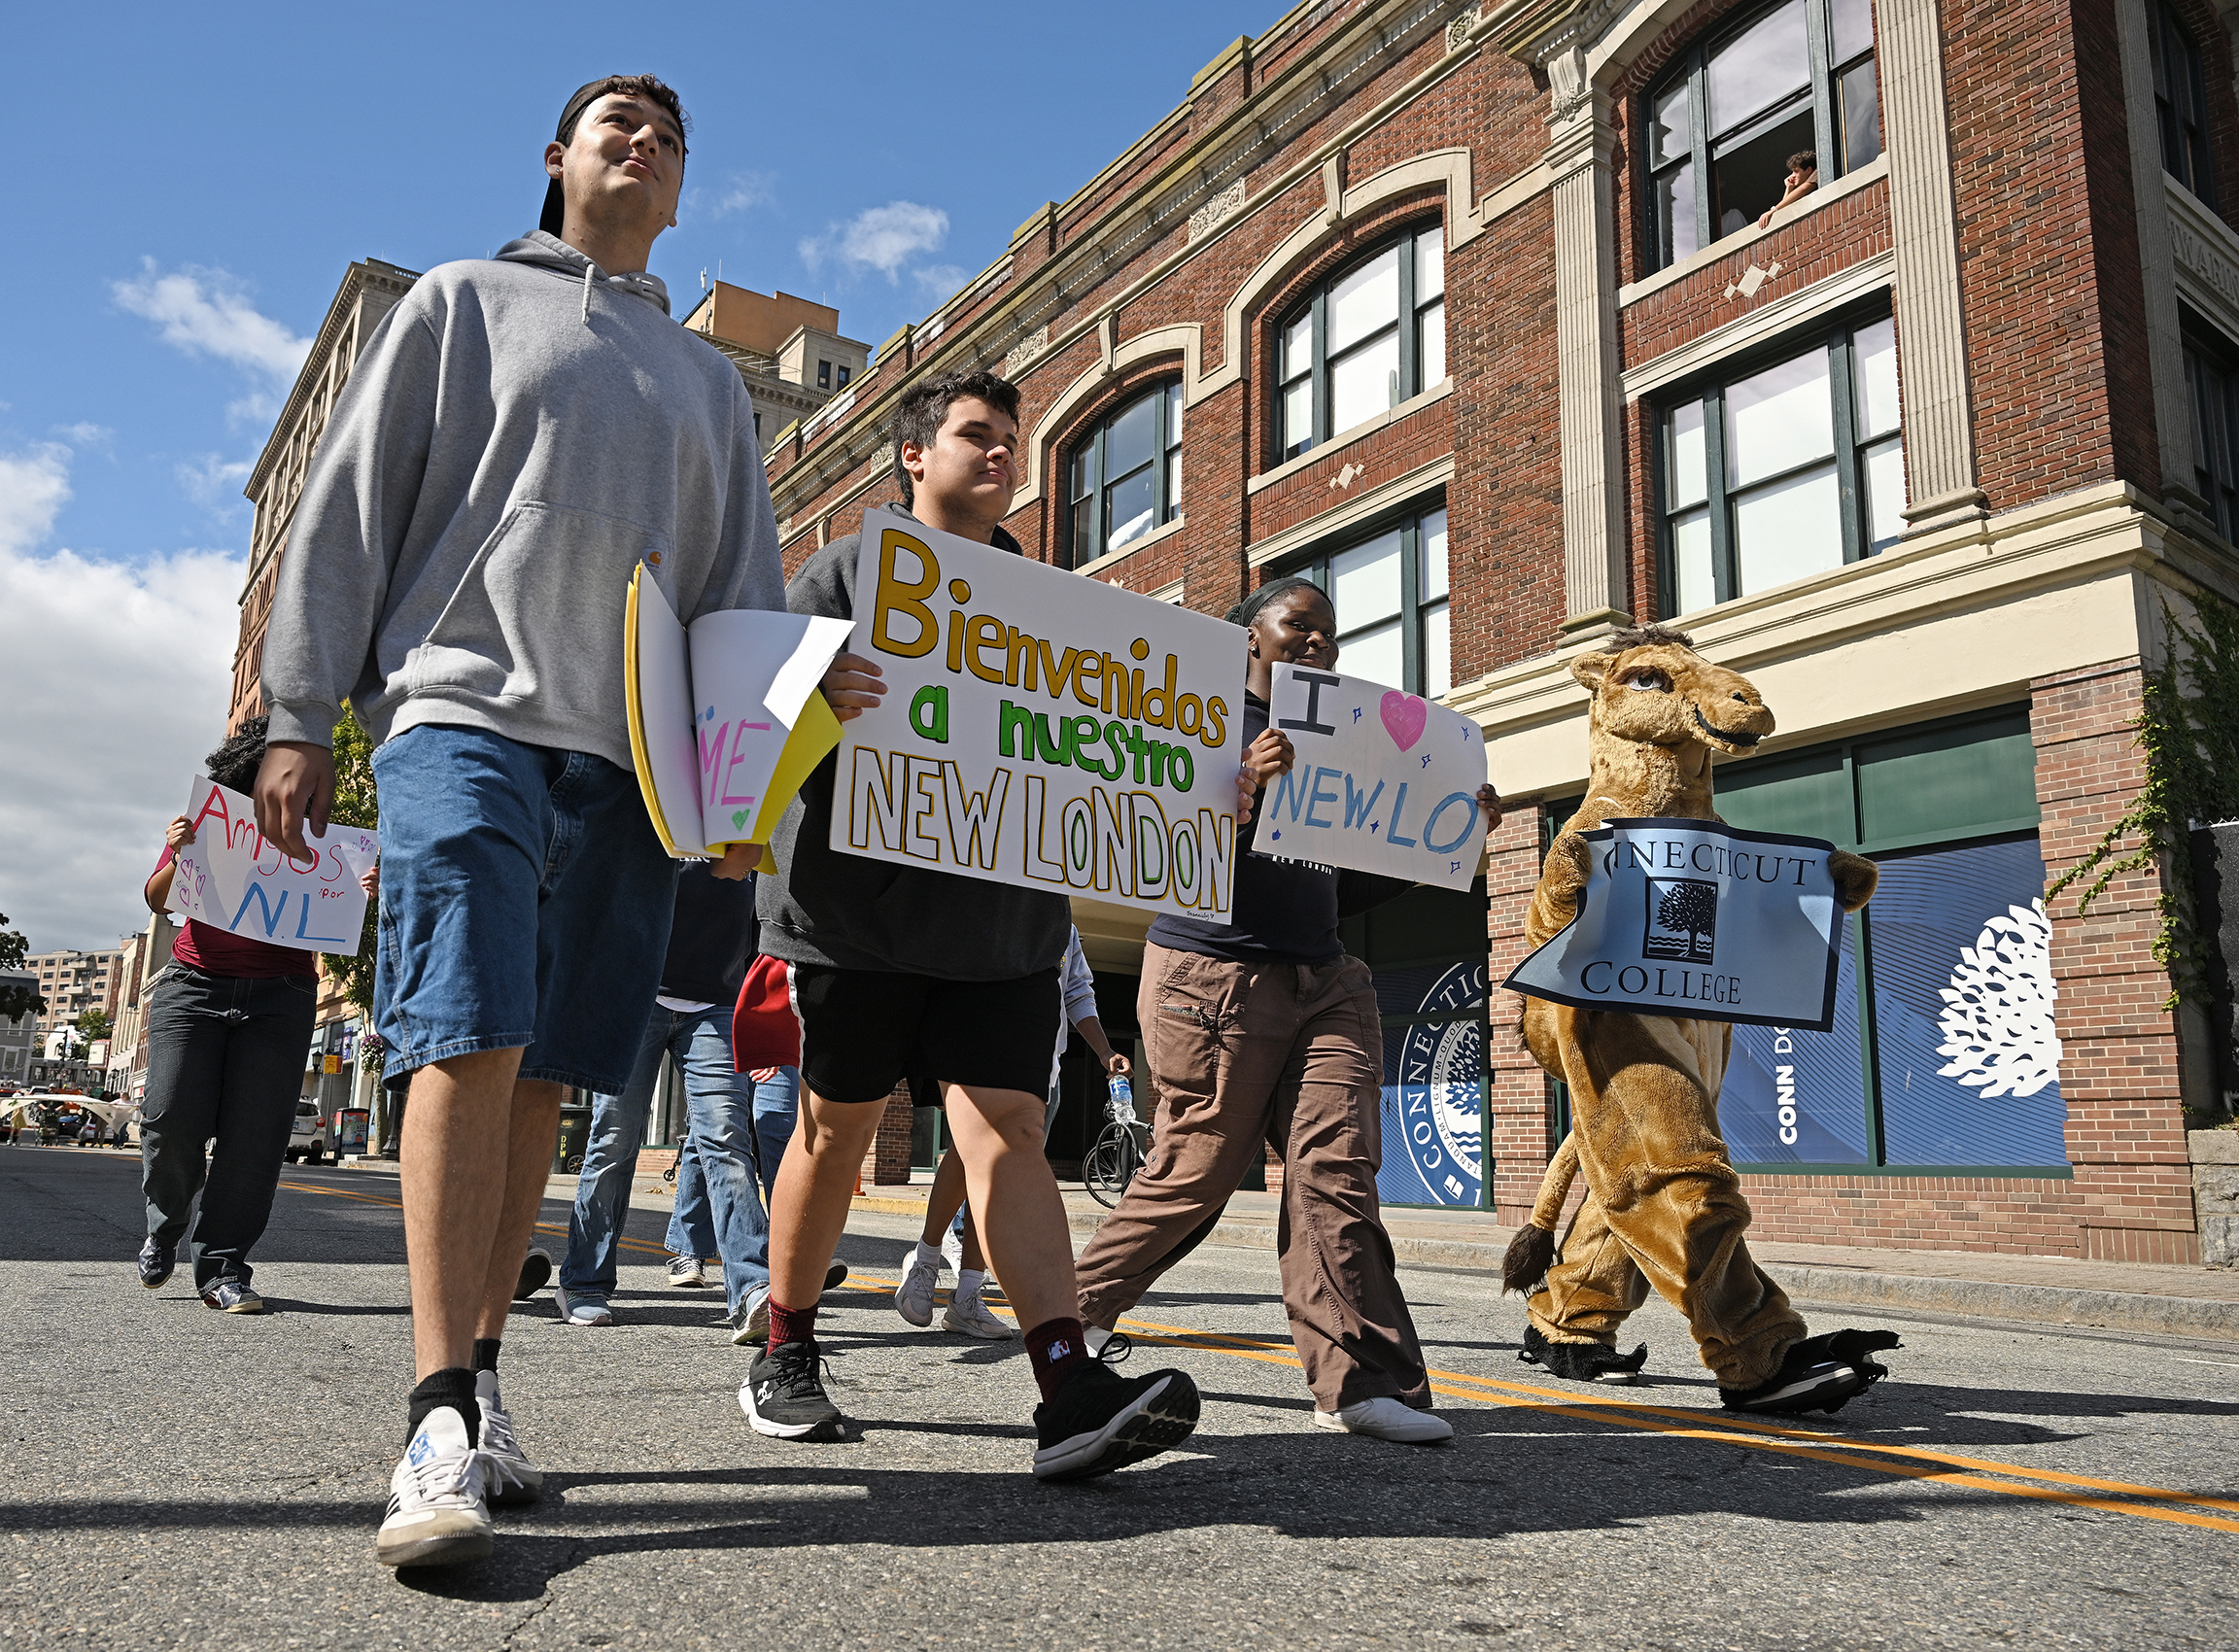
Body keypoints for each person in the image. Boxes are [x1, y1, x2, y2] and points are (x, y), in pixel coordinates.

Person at [252, 74, 783, 1570]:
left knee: (547, 1071)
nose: (646, 143)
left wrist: (743, 777)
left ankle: (481, 1383)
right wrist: (300, 713)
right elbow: (348, 508)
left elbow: (738, 595)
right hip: (460, 715)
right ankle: (428, 1420)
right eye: (619, 123)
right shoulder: (463, 302)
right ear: (559, 161)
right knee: (466, 1034)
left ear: (680, 192)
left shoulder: (708, 386)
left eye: (670, 138)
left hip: (625, 765)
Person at [742, 367, 1202, 1481]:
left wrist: (1208, 776)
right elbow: (742, 721)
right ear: (913, 455)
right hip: (854, 917)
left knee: (1008, 1125)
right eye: (976, 435)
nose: (1002, 453)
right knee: (835, 1128)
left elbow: (1113, 750)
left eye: (1012, 439)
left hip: (1003, 924)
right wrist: (811, 695)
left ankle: (1064, 1381)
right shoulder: (841, 575)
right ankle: (786, 1344)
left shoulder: (1048, 607)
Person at [1069, 577, 1502, 1446]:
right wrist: (1238, 794)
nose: (1319, 644)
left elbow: (1347, 879)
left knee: (1336, 1169)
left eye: (1330, 633)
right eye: (1299, 626)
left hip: (1325, 976)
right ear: (1249, 640)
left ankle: (1357, 1381)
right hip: (1213, 976)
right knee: (1198, 1168)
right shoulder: (1195, 721)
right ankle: (1070, 1313)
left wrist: (1454, 835)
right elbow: (1146, 846)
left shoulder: (1345, 738)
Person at [137, 717, 346, 1314]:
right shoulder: (209, 821)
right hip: (194, 984)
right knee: (170, 1114)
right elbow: (157, 898)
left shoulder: (320, 834)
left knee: (254, 1138)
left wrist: (361, 886)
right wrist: (179, 853)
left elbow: (334, 902)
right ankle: (166, 1223)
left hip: (280, 996)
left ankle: (223, 1267)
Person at [555, 865, 777, 1341]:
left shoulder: (750, 828)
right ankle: (584, 1281)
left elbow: (766, 934)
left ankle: (753, 1289)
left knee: (727, 1141)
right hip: (637, 997)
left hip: (718, 1006)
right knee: (613, 1139)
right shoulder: (658, 817)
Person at [893, 925, 1129, 1339]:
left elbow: (1076, 991)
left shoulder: (1061, 926)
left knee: (1002, 1179)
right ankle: (925, 1259)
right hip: (985, 1046)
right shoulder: (994, 901)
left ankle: (967, 1297)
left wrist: (1106, 1052)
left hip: (1042, 1067)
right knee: (967, 1155)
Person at [1758, 151, 1818, 229]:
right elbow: (1784, 209)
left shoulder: (1817, 173)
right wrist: (1789, 188)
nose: (1793, 175)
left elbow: (1804, 188)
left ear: (1809, 170)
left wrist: (1773, 210)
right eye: (1792, 172)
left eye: (1796, 171)